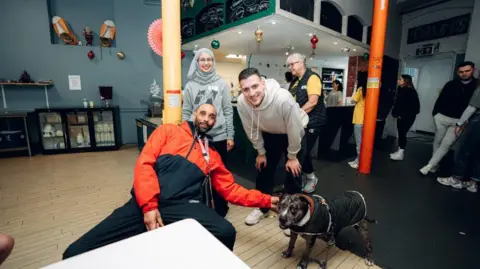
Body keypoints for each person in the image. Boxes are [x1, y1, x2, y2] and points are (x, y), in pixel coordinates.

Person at [62, 104, 279, 259]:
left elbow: (231, 189)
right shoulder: (168, 131)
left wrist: (266, 200)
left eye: (211, 116)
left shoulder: (211, 155)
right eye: (202, 113)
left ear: (215, 122)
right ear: (194, 113)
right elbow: (144, 164)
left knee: (225, 231)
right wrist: (149, 206)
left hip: (182, 206)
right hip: (144, 203)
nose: (206, 118)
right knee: (74, 253)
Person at [236, 68, 308, 226]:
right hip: (269, 133)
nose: (252, 93)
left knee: (293, 172)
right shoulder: (242, 101)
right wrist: (260, 152)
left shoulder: (282, 98)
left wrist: (292, 156)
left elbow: (295, 129)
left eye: (255, 86)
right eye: (246, 89)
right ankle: (263, 207)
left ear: (263, 83)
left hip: (293, 132)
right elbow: (250, 128)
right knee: (263, 169)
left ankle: (293, 216)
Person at [182, 48, 235, 217]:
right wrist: (186, 134)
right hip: (197, 137)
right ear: (197, 62)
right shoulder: (190, 85)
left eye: (209, 59)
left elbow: (227, 111)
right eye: (202, 59)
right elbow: (186, 111)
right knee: (197, 172)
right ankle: (201, 205)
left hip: (218, 137)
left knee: (219, 174)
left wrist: (230, 135)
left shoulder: (221, 84)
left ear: (213, 62)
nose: (206, 63)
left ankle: (221, 207)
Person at [419, 61, 477, 174]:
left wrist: (465, 121)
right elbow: (440, 99)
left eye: (467, 71)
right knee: (437, 141)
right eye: (461, 72)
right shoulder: (451, 84)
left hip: (459, 121)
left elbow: (474, 106)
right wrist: (435, 114)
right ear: (457, 72)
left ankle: (429, 166)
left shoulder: (477, 86)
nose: (464, 74)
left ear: (473, 70)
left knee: (447, 143)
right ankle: (434, 165)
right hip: (442, 117)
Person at [286, 52, 327, 192]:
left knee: (301, 153)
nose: (290, 67)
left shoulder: (312, 78)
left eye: (292, 64)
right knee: (302, 151)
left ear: (301, 63)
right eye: (288, 65)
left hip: (313, 122)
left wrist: (296, 115)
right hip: (299, 122)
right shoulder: (295, 81)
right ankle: (308, 175)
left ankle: (309, 179)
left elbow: (312, 102)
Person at [437, 83, 480, 192]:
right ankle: (473, 184)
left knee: (463, 150)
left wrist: (459, 123)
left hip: (477, 122)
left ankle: (456, 179)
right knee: (478, 153)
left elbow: (471, 108)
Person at [390, 74, 420, 161]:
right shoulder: (401, 89)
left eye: (400, 79)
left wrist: (402, 115)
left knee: (402, 134)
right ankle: (399, 151)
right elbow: (398, 104)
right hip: (401, 116)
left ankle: (401, 153)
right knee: (401, 133)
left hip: (407, 117)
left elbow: (414, 107)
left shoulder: (411, 92)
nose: (398, 81)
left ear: (405, 81)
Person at [348, 73, 368, 169]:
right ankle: (358, 160)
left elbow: (353, 100)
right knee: (364, 142)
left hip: (359, 119)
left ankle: (359, 162)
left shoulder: (360, 89)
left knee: (359, 143)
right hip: (366, 120)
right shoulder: (370, 91)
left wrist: (356, 88)